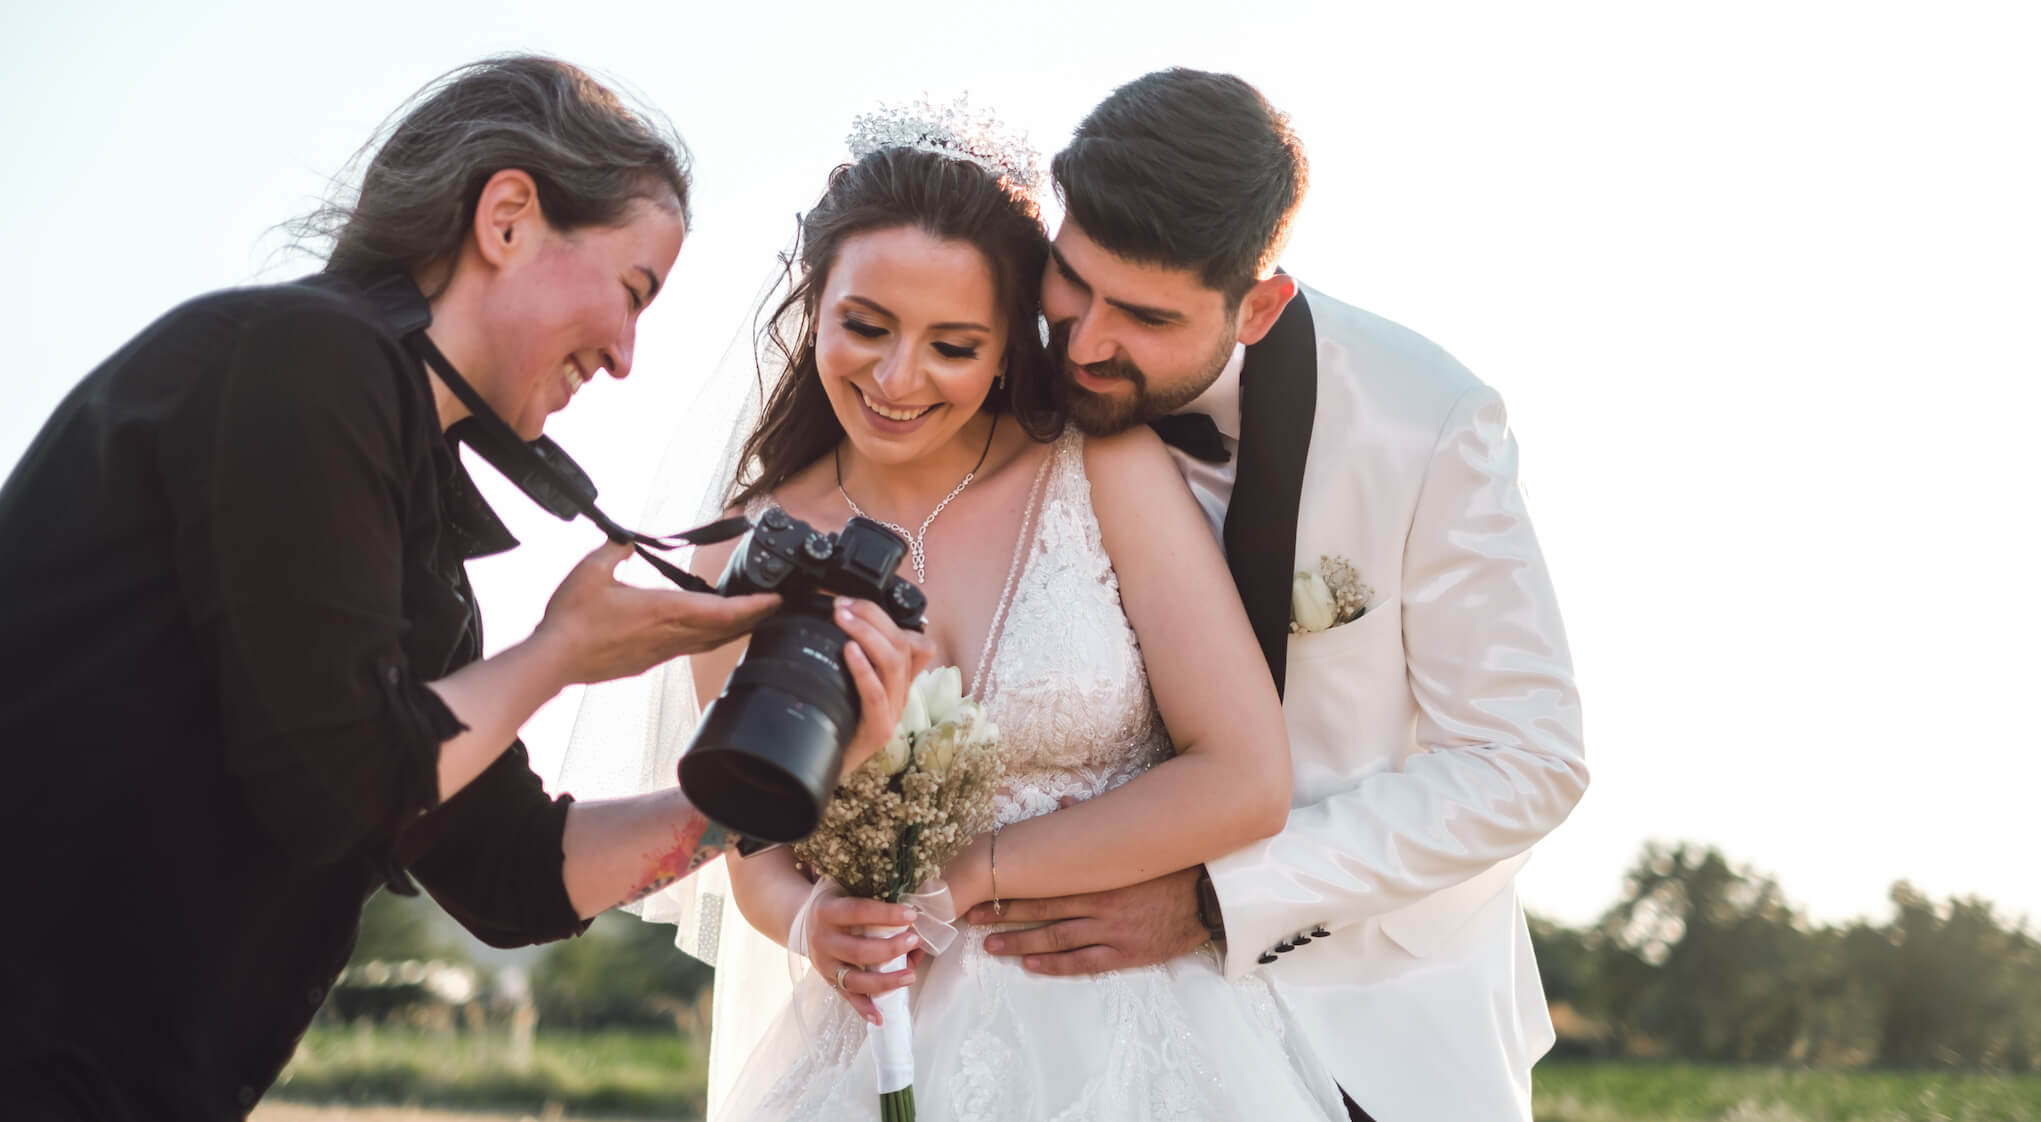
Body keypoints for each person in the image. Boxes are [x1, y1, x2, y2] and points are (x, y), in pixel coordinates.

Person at [0, 56, 928, 1121]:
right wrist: (559, 655)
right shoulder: (303, 359)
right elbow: (335, 782)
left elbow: (514, 876)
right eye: (633, 292)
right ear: (507, 217)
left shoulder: (414, 531)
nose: (627, 356)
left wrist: (776, 784)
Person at [565, 104, 1346, 1120]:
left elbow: (1244, 776)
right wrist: (810, 923)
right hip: (883, 1047)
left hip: (1139, 1042)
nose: (897, 380)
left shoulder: (1100, 465)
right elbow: (752, 847)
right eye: (865, 326)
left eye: (952, 344)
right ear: (814, 306)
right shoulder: (740, 553)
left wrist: (967, 877)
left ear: (1007, 343)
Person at [959, 69, 1590, 1121]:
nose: (1085, 341)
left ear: (1258, 304)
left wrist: (1220, 900)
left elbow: (1525, 761)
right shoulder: (990, 371)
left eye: (1146, 316)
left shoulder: (1423, 420)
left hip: (1374, 1028)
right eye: (1075, 282)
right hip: (1054, 1025)